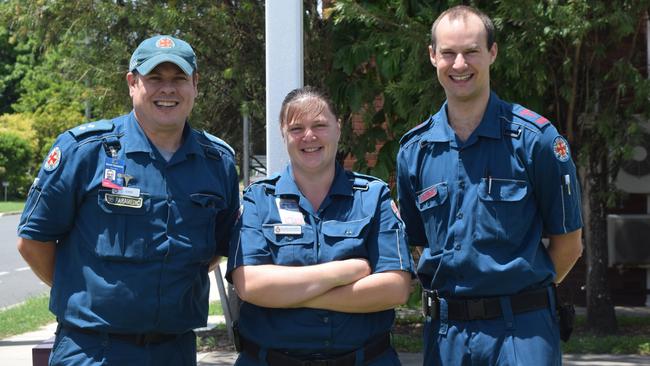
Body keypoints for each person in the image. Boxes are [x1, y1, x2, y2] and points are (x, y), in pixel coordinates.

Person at [16, 35, 239, 366]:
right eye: (155, 79)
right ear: (132, 83)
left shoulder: (216, 161)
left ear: (195, 84)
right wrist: (86, 294)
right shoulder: (84, 152)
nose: (168, 90)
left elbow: (216, 250)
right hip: (92, 350)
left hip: (174, 351)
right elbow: (33, 243)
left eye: (178, 78)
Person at [396, 5, 583, 365]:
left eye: (471, 52)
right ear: (433, 56)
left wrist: (514, 294)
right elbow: (419, 245)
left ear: (493, 53)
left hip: (522, 332)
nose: (460, 64)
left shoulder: (536, 141)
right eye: (448, 53)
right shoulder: (414, 151)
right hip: (447, 334)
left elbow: (569, 245)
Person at [227, 86, 414, 366]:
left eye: (319, 125)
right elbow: (251, 285)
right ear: (283, 133)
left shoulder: (373, 197)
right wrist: (345, 271)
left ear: (338, 129)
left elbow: (394, 289)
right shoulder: (259, 199)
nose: (309, 136)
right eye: (297, 128)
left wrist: (295, 294)